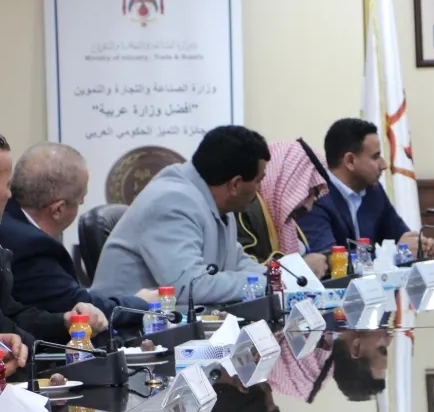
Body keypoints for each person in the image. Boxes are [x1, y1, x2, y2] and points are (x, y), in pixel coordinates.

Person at [92, 125, 271, 305]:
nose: (259, 189)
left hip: (171, 316)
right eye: (258, 181)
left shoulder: (218, 202)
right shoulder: (171, 201)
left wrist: (274, 278)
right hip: (122, 318)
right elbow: (189, 288)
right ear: (235, 184)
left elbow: (235, 260)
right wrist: (261, 284)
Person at [0, 142, 153, 321]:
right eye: (81, 199)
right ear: (58, 209)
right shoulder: (30, 246)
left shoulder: (12, 220)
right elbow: (81, 309)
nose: (82, 203)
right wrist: (141, 303)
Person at [297, 118, 434, 261]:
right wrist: (394, 253)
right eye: (376, 157)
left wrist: (424, 248)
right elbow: (329, 261)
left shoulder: (374, 191)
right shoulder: (314, 198)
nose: (384, 165)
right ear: (350, 161)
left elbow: (401, 237)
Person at [237, 138, 331, 278]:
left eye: (314, 196)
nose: (309, 206)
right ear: (285, 182)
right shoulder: (244, 208)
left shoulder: (288, 222)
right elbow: (245, 271)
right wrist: (300, 268)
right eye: (308, 193)